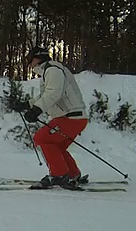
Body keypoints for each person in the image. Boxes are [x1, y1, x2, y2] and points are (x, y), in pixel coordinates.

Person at [16, 46, 89, 189]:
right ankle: (72, 174)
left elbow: (54, 93)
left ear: (37, 58)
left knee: (41, 138)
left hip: (70, 117)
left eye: (30, 60)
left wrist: (37, 110)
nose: (29, 64)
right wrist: (27, 104)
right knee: (57, 146)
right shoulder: (50, 70)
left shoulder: (52, 70)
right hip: (74, 117)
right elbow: (47, 94)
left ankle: (59, 175)